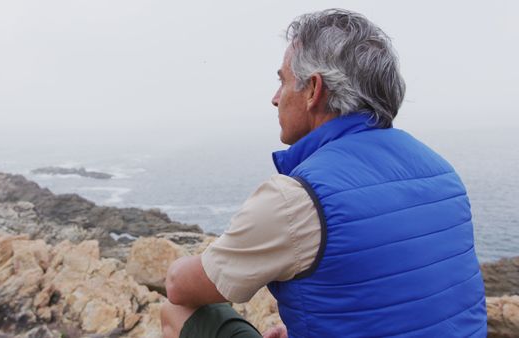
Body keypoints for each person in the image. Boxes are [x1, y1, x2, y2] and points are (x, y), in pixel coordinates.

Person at [161, 8, 487, 338]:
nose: (275, 99)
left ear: (314, 90)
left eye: (283, 81)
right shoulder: (443, 174)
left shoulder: (298, 198)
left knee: (176, 309)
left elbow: (179, 287)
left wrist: (174, 265)